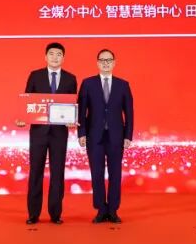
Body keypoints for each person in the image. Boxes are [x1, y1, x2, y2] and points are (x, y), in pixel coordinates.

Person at [20, 42, 77, 225]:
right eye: (51, 54)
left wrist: (72, 119)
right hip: (38, 132)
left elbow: (72, 104)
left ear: (63, 58)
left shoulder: (70, 79)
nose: (54, 57)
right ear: (45, 57)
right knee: (36, 171)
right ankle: (33, 214)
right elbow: (26, 101)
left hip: (59, 133)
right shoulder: (35, 76)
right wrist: (22, 118)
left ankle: (55, 214)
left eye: (58, 54)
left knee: (58, 173)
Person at [77, 49, 133, 223]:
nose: (106, 63)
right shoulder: (88, 83)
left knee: (115, 174)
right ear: (97, 63)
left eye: (109, 60)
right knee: (97, 174)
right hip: (94, 137)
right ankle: (101, 210)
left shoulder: (123, 85)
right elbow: (81, 111)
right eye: (102, 60)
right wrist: (81, 133)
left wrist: (128, 136)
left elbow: (129, 113)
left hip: (116, 136)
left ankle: (113, 210)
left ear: (114, 63)